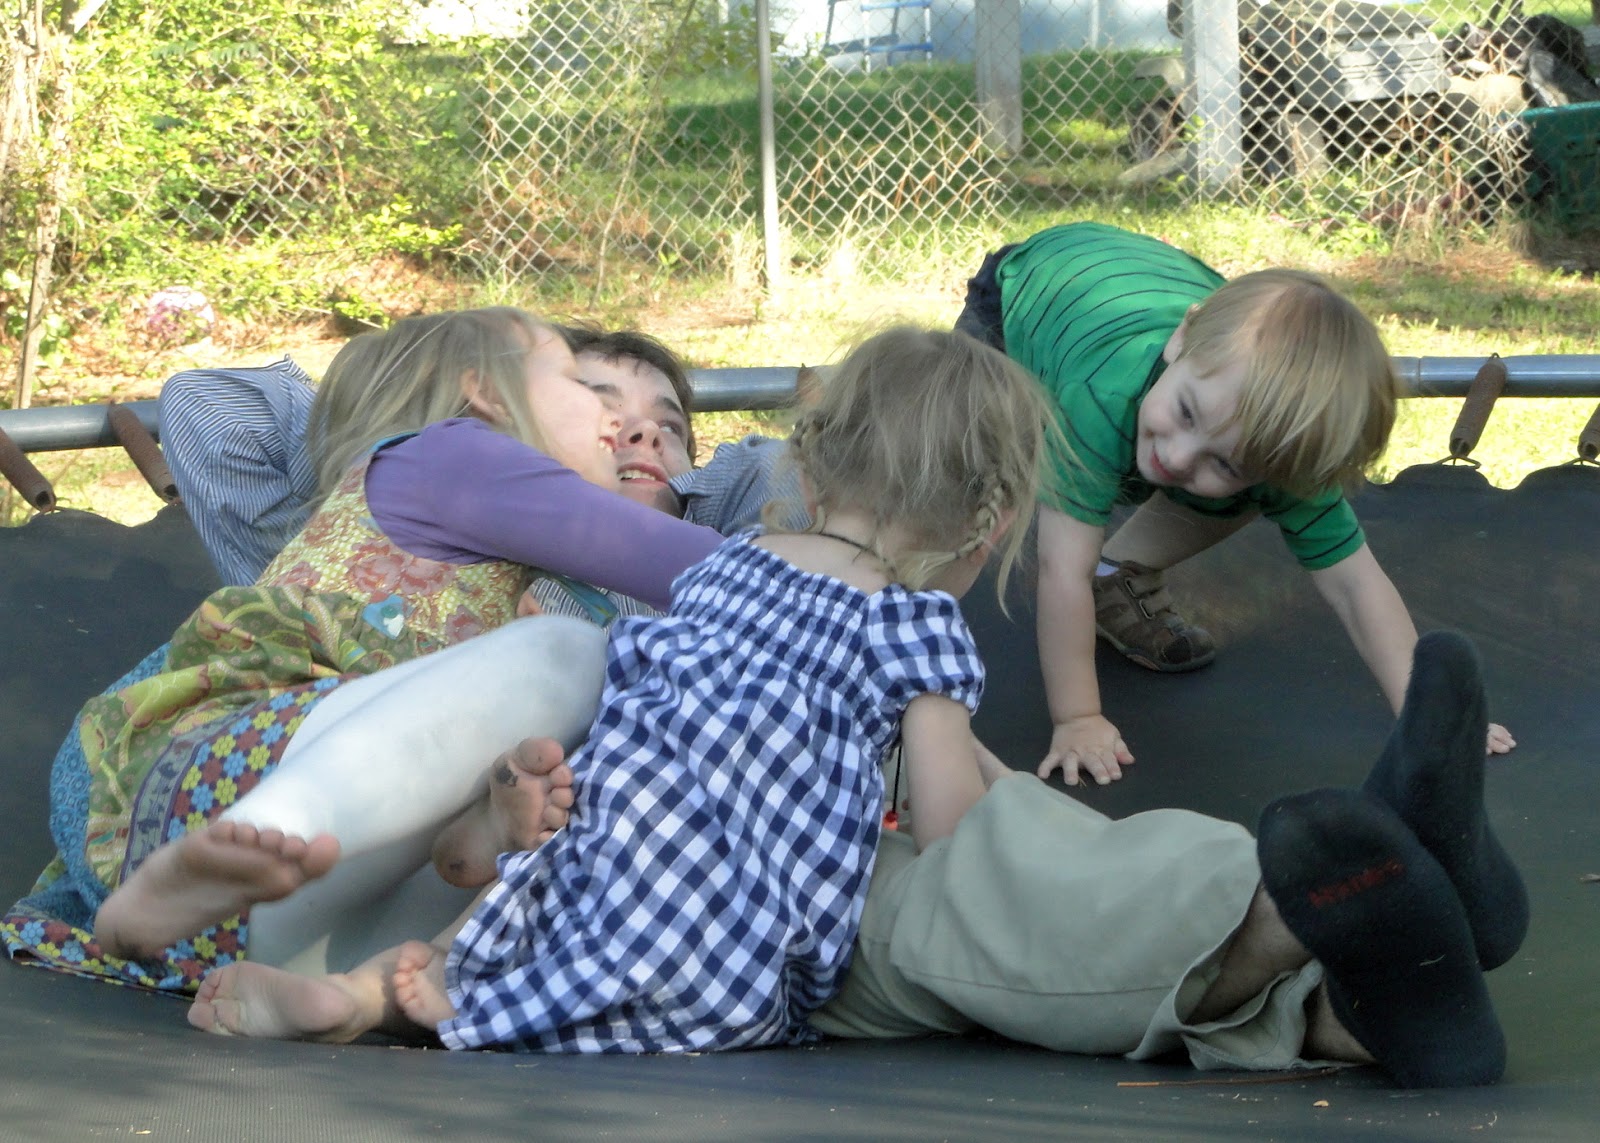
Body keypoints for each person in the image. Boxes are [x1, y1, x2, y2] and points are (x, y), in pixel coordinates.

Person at [185, 325, 1051, 1053]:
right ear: (991, 522)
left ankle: (362, 994)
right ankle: (416, 995)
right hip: (724, 957)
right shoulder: (916, 626)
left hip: (592, 864)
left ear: (812, 471)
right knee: (621, 970)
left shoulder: (725, 570)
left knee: (517, 899)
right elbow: (953, 833)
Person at [0, 306, 726, 989]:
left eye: (669, 427)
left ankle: (360, 979)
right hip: (217, 784)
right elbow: (712, 570)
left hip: (283, 913)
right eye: (582, 386)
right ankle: (262, 836)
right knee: (568, 653)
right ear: (485, 394)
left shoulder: (543, 578)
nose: (621, 425)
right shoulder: (451, 456)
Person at [953, 221, 1515, 786]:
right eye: (1186, 412)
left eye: (1223, 461)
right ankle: (900, 588)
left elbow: (1356, 585)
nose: (1176, 457)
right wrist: (1078, 718)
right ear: (1182, 340)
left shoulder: (1263, 432)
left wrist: (1427, 715)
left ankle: (1117, 575)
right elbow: (1059, 570)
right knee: (958, 466)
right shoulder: (1101, 394)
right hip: (1032, 293)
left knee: (1247, 489)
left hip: (1148, 291)